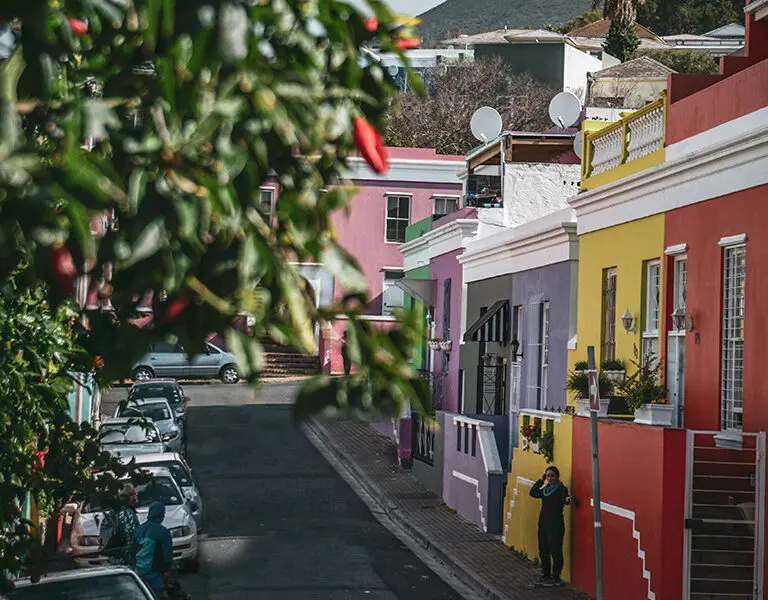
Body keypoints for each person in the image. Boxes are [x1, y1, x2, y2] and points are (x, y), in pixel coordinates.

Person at [529, 465, 571, 587]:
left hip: (555, 524)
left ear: (557, 476)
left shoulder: (561, 489)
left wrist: (567, 500)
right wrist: (541, 480)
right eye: (548, 476)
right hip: (543, 524)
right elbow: (533, 493)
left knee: (555, 550)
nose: (550, 478)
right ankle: (545, 574)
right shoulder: (545, 490)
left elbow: (565, 500)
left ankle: (556, 576)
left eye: (552, 475)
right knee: (544, 550)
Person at [133, 501, 173, 594]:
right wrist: (167, 570)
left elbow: (133, 550)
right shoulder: (163, 532)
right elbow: (167, 553)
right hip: (155, 572)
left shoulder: (139, 530)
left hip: (139, 570)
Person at [106, 483, 140, 566]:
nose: (135, 497)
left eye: (135, 494)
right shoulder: (127, 514)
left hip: (114, 557)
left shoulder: (113, 512)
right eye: (133, 494)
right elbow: (131, 536)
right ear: (126, 497)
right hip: (125, 559)